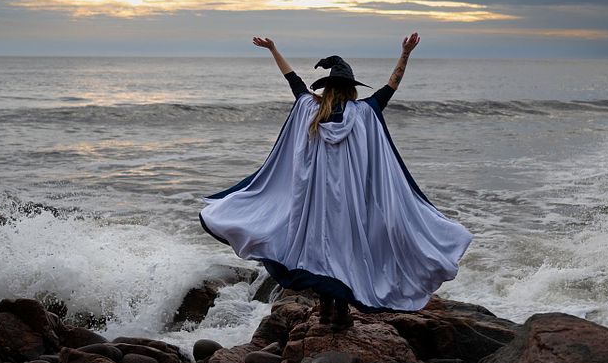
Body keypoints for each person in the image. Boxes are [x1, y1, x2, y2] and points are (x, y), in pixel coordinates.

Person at [199, 33, 473, 330]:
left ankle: (325, 311)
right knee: (346, 253)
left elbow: (292, 79)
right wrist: (405, 53)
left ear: (327, 88)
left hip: (315, 202)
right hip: (350, 203)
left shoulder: (310, 109)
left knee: (318, 253)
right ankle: (341, 314)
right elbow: (392, 84)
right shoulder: (365, 113)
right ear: (351, 89)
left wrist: (273, 49)